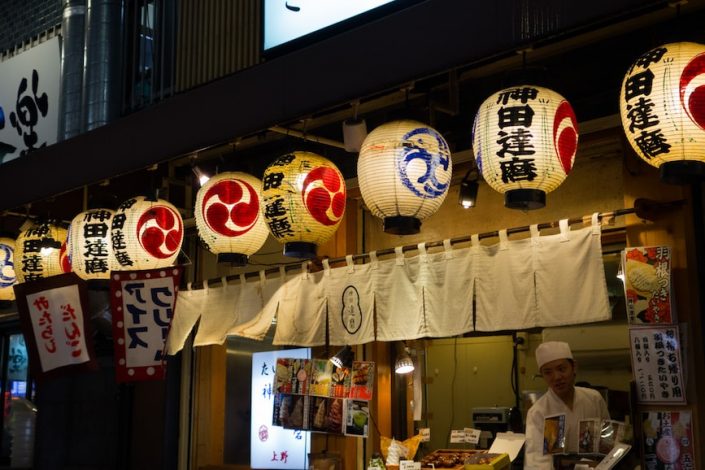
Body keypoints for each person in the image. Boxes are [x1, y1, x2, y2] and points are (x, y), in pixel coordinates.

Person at [524, 341, 609, 469]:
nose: (557, 377)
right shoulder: (539, 412)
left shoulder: (593, 399)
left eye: (561, 369)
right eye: (548, 372)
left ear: (574, 367)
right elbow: (537, 463)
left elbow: (608, 444)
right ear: (542, 375)